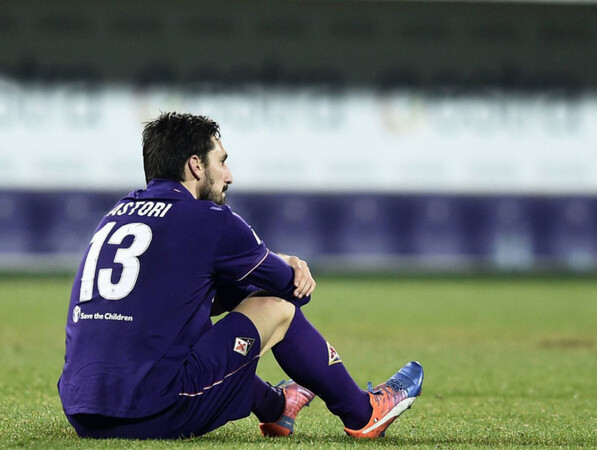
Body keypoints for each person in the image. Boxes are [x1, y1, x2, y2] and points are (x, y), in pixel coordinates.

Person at [58, 112, 423, 439]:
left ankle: (278, 408)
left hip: (82, 413)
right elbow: (291, 289)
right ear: (196, 165)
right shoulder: (209, 219)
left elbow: (173, 300)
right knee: (276, 308)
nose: (229, 175)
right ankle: (363, 413)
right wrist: (286, 261)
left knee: (187, 321)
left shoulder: (116, 215)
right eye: (223, 161)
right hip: (154, 413)